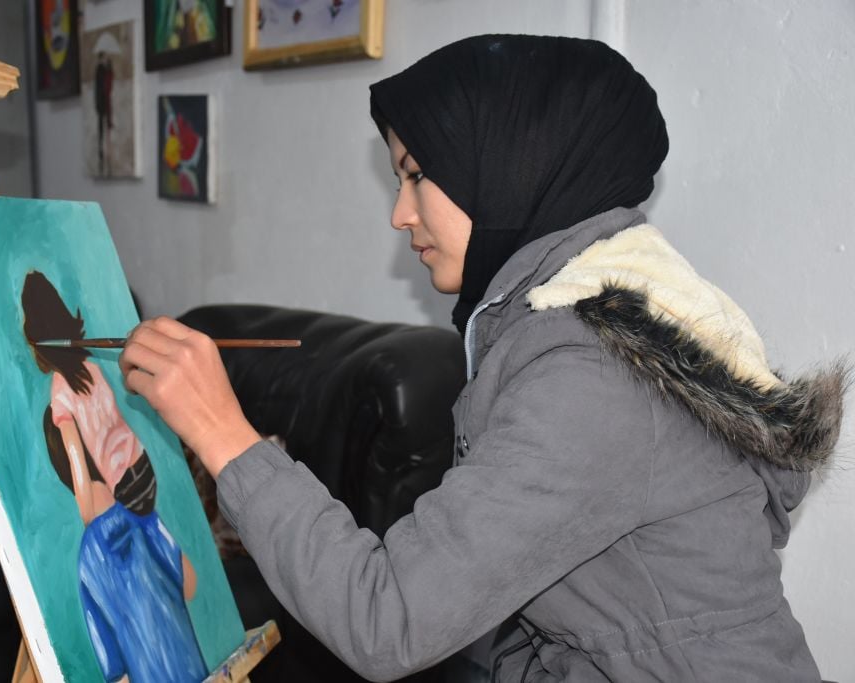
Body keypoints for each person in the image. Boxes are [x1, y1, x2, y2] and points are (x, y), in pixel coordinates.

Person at [117, 35, 846, 682]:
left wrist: (223, 433)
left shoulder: (593, 374)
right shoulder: (598, 313)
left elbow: (387, 619)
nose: (400, 213)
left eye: (415, 176)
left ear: (506, 164)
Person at [21, 271, 208, 683]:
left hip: (120, 490)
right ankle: (164, 552)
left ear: (35, 335)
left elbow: (76, 457)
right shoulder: (93, 367)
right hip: (142, 473)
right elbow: (117, 423)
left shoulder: (60, 391)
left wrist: (90, 514)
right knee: (157, 551)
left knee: (108, 552)